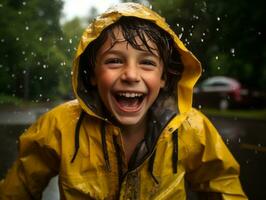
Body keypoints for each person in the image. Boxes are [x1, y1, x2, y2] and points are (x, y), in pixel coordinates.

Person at [0, 2, 247, 199]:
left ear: (163, 77)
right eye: (114, 61)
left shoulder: (191, 129)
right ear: (93, 75)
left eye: (147, 62)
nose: (130, 75)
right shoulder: (59, 126)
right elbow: (18, 188)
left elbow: (222, 186)